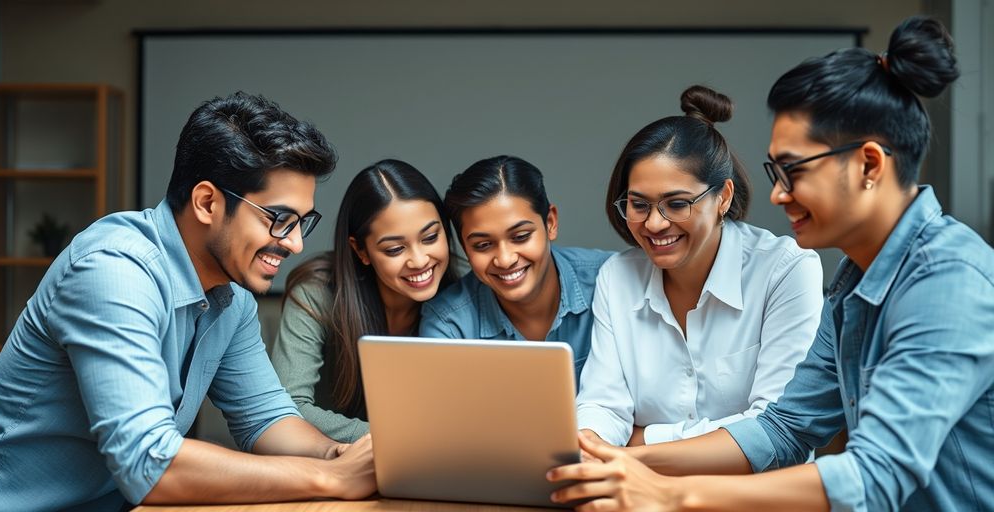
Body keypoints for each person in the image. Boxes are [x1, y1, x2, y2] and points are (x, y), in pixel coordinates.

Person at [547, 16, 994, 512]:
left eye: (793, 171)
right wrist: (621, 465)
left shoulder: (948, 280)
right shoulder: (854, 286)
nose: (778, 194)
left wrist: (671, 493)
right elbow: (783, 429)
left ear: (869, 164)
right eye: (774, 172)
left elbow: (876, 474)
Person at [0, 92, 376, 511]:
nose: (294, 243)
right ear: (207, 203)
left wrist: (342, 457)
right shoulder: (114, 271)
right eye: (279, 220)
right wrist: (330, 477)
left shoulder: (231, 298)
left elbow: (266, 419)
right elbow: (149, 461)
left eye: (301, 222)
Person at [576, 85, 822, 448]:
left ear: (723, 196)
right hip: (642, 491)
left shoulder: (785, 271)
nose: (654, 224)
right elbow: (603, 406)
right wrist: (592, 442)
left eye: (676, 204)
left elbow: (773, 432)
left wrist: (642, 441)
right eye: (638, 204)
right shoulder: (617, 276)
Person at [271, 159, 459, 443]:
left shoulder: (466, 290)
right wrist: (398, 440)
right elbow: (289, 406)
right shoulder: (317, 292)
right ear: (361, 251)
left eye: (431, 237)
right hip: (329, 466)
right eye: (395, 249)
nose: (420, 260)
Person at [419, 155, 613, 382]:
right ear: (464, 247)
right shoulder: (448, 324)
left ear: (550, 223)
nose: (505, 259)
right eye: (482, 245)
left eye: (520, 237)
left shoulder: (611, 280)